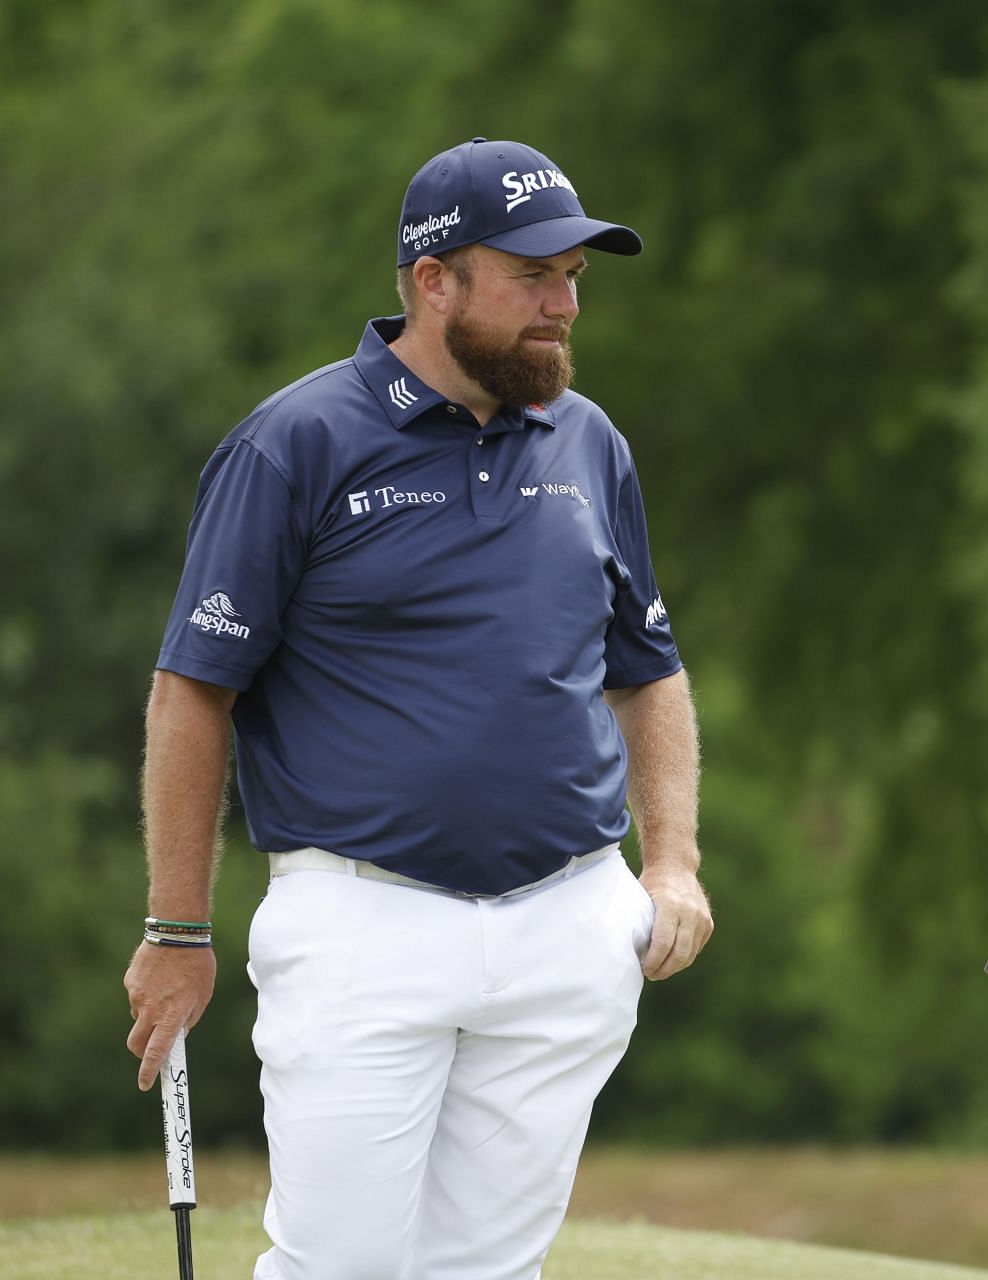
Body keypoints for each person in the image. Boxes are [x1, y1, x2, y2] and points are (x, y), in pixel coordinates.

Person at [122, 136, 713, 1280]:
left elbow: (648, 667)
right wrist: (178, 926)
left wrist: (674, 858)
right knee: (339, 1264)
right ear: (434, 280)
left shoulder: (589, 441)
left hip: (569, 920)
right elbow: (193, 689)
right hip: (362, 923)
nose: (562, 303)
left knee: (493, 1268)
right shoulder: (297, 441)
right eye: (531, 274)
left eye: (575, 276)